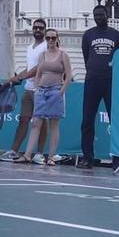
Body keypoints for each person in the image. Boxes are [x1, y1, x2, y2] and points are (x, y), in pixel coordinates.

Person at [10, 27, 72, 165]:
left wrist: (61, 91)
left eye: (53, 38)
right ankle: (27, 155)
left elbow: (69, 75)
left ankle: (50, 157)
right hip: (42, 91)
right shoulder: (42, 55)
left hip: (56, 90)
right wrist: (37, 88)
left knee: (54, 124)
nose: (50, 40)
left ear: (57, 39)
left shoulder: (63, 55)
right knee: (36, 123)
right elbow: (38, 73)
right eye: (48, 38)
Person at [77, 4, 119, 168]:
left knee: (115, 120)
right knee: (87, 120)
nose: (98, 17)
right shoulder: (88, 35)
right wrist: (92, 69)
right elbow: (86, 56)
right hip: (92, 81)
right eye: (95, 15)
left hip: (110, 81)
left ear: (107, 15)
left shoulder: (116, 35)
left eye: (101, 15)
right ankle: (87, 157)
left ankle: (118, 159)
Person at [4, 18, 50, 160]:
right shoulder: (30, 48)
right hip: (28, 88)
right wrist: (19, 76)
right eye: (35, 27)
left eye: (41, 28)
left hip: (41, 89)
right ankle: (14, 150)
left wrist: (20, 77)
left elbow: (39, 68)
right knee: (23, 120)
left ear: (44, 30)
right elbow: (29, 68)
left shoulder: (47, 46)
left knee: (41, 122)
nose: (37, 30)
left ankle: (40, 154)